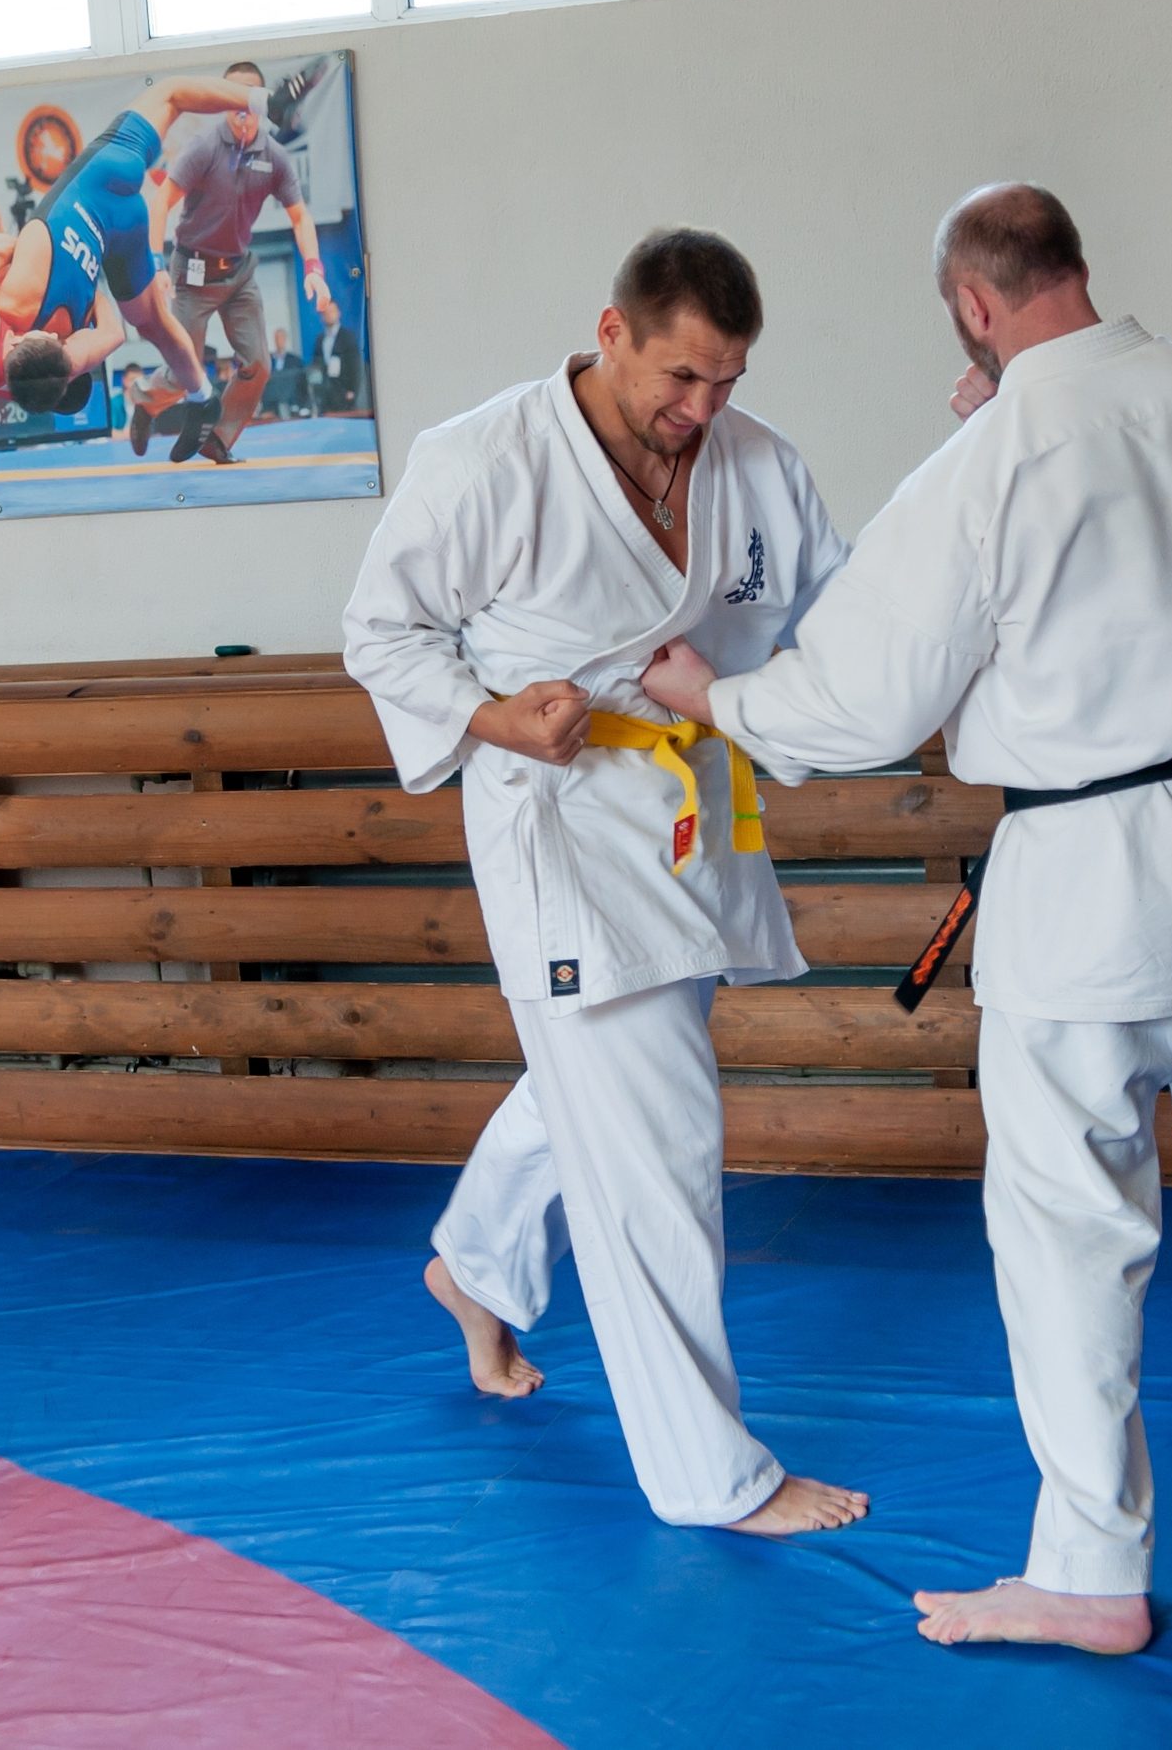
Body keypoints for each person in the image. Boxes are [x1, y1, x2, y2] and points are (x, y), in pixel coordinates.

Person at [642, 184, 1172, 1649]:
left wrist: (716, 698)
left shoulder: (993, 458)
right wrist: (1006, 425)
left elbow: (866, 697)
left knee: (1069, 1219)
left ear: (972, 305)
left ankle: (1092, 1572)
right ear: (1072, 269)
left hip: (1099, 859)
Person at [343, 228, 867, 1537]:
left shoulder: (760, 466)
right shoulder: (488, 459)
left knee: (600, 1082)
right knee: (657, 1138)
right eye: (681, 376)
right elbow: (381, 629)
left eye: (727, 380)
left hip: (691, 822)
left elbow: (843, 619)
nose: (702, 408)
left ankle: (476, 1268)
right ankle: (708, 1475)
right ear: (611, 332)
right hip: (561, 824)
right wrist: (491, 718)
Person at [0, 74, 308, 460]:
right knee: (170, 94)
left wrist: (85, 280)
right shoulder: (24, 328)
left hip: (116, 228)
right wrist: (12, 256)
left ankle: (201, 395)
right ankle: (265, 101)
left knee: (151, 321)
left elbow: (112, 331)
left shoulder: (35, 338)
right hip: (104, 186)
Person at [126, 60, 332, 465]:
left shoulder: (274, 156)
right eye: (232, 99)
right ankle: (144, 400)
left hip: (239, 274)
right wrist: (156, 265)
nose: (240, 108)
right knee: (184, 372)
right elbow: (160, 202)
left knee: (258, 364)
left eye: (248, 99)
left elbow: (300, 217)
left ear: (261, 103)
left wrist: (314, 269)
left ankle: (218, 439)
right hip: (193, 274)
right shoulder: (203, 148)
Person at [312, 297, 362, 412]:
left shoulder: (347, 337)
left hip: (344, 394)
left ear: (338, 313)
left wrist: (352, 390)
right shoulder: (320, 340)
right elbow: (317, 366)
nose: (329, 315)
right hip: (325, 397)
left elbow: (354, 366)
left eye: (332, 311)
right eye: (325, 312)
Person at [264, 326, 308, 416]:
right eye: (277, 338)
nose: (279, 341)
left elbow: (302, 384)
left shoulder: (295, 361)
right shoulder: (267, 360)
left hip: (292, 404)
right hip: (272, 406)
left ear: (285, 340)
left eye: (281, 338)